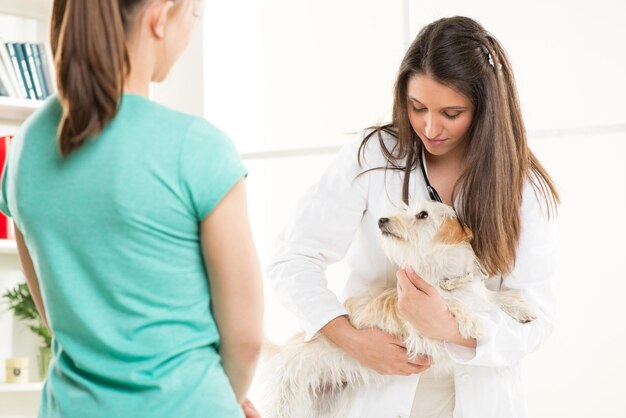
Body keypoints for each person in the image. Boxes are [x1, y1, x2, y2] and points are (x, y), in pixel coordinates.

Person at [267, 16, 559, 418]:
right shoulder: (373, 157)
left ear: (485, 109)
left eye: (451, 113)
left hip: (479, 397)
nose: (429, 126)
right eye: (417, 106)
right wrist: (350, 338)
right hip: (377, 387)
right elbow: (293, 259)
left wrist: (448, 328)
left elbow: (535, 320)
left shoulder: (521, 186)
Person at [0, 0, 263, 417]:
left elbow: (59, 315)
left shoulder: (25, 148)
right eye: (192, 15)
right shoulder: (196, 148)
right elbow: (246, 339)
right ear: (160, 15)